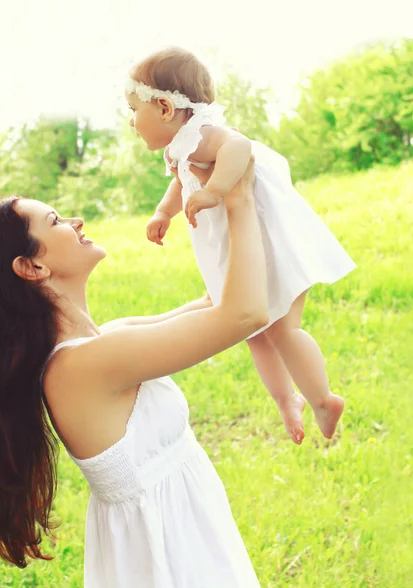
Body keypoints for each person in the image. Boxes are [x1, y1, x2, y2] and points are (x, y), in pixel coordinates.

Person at [0, 157, 268, 588]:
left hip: (189, 534)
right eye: (55, 220)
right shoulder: (82, 368)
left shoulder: (109, 340)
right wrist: (239, 196)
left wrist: (204, 185)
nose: (75, 221)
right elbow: (243, 313)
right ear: (31, 267)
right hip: (165, 558)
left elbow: (220, 298)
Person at [129, 47, 356, 444]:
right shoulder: (183, 146)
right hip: (246, 250)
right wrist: (164, 213)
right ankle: (287, 400)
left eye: (134, 110)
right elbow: (181, 179)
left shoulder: (204, 135)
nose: (132, 122)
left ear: (164, 107)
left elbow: (240, 147)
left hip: (270, 245)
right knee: (255, 332)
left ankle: (323, 399)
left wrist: (216, 190)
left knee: (283, 329)